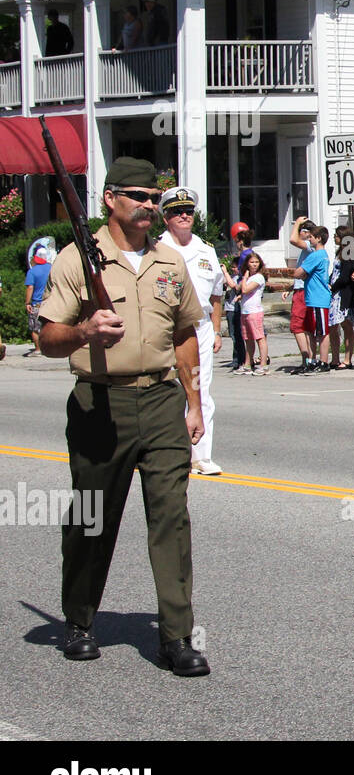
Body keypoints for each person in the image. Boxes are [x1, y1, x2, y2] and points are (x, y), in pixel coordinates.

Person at [37, 156, 210, 676]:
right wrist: (84, 332)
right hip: (99, 402)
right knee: (94, 515)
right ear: (110, 198)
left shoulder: (169, 261)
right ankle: (80, 621)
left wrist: (195, 402)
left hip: (160, 401)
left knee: (171, 516)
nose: (148, 206)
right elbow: (46, 338)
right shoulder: (76, 259)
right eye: (137, 196)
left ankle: (177, 636)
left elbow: (184, 335)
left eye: (154, 198)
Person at [159, 186, 225, 477]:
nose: (184, 216)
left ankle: (200, 455)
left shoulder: (206, 251)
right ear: (165, 218)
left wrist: (217, 330)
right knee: (164, 392)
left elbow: (216, 296)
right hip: (164, 328)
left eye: (188, 211)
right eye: (177, 212)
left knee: (200, 391)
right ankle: (166, 453)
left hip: (199, 328)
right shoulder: (156, 249)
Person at [293, 225, 333, 372]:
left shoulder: (316, 255)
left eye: (311, 237)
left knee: (322, 332)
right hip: (312, 298)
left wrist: (302, 272)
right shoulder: (321, 255)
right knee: (310, 331)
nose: (309, 239)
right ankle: (312, 360)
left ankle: (323, 361)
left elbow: (298, 273)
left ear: (319, 238)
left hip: (319, 298)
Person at [224, 252, 269, 373]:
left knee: (259, 338)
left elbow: (245, 289)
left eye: (256, 262)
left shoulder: (259, 277)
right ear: (247, 264)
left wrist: (244, 278)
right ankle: (248, 364)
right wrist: (240, 296)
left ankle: (263, 365)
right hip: (245, 311)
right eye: (251, 262)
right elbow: (239, 289)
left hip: (255, 312)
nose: (254, 265)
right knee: (248, 339)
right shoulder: (249, 277)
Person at [286, 216, 316, 373]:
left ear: (307, 233)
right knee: (307, 327)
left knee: (298, 326)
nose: (299, 234)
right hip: (301, 288)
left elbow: (292, 240)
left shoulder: (310, 246)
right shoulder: (308, 250)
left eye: (301, 231)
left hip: (303, 292)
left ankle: (307, 359)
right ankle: (311, 359)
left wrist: (296, 223)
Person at [328, 226, 354, 369]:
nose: (334, 237)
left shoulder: (349, 251)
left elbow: (345, 276)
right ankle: (334, 358)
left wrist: (333, 287)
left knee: (346, 325)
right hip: (334, 293)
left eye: (337, 235)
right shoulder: (340, 251)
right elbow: (335, 272)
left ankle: (347, 359)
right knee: (333, 326)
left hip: (343, 294)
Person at [222, 223, 251, 371]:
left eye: (236, 241)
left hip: (242, 294)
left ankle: (243, 360)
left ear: (240, 241)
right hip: (243, 295)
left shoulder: (245, 256)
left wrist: (239, 288)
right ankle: (242, 359)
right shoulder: (249, 254)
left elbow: (242, 277)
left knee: (241, 332)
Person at [24, 237, 55, 355]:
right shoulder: (53, 268)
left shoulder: (32, 271)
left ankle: (38, 349)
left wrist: (27, 302)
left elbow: (30, 287)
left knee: (35, 328)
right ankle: (51, 348)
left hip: (37, 303)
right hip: (50, 301)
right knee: (49, 326)